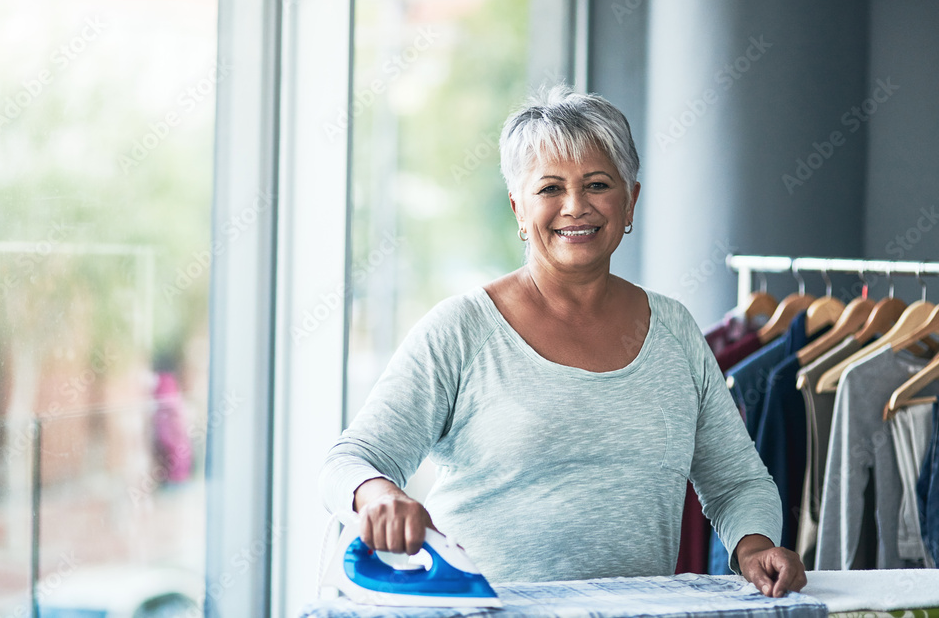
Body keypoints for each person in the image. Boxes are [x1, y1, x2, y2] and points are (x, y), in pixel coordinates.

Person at [319, 85, 807, 598]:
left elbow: (737, 481)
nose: (575, 206)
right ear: (518, 209)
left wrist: (754, 547)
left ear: (630, 199)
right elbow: (349, 460)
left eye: (597, 184)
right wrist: (375, 496)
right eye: (550, 188)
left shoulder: (676, 331)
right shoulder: (460, 330)